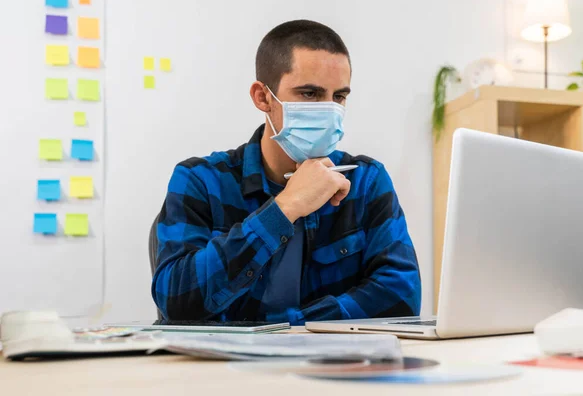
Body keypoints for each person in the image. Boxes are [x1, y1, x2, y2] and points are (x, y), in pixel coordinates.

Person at [151, 20, 421, 325]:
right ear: (263, 97)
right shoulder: (200, 180)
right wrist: (285, 208)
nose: (330, 110)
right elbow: (175, 299)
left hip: (333, 367)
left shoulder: (365, 180)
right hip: (227, 369)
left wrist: (294, 325)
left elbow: (402, 295)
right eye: (310, 94)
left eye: (339, 97)